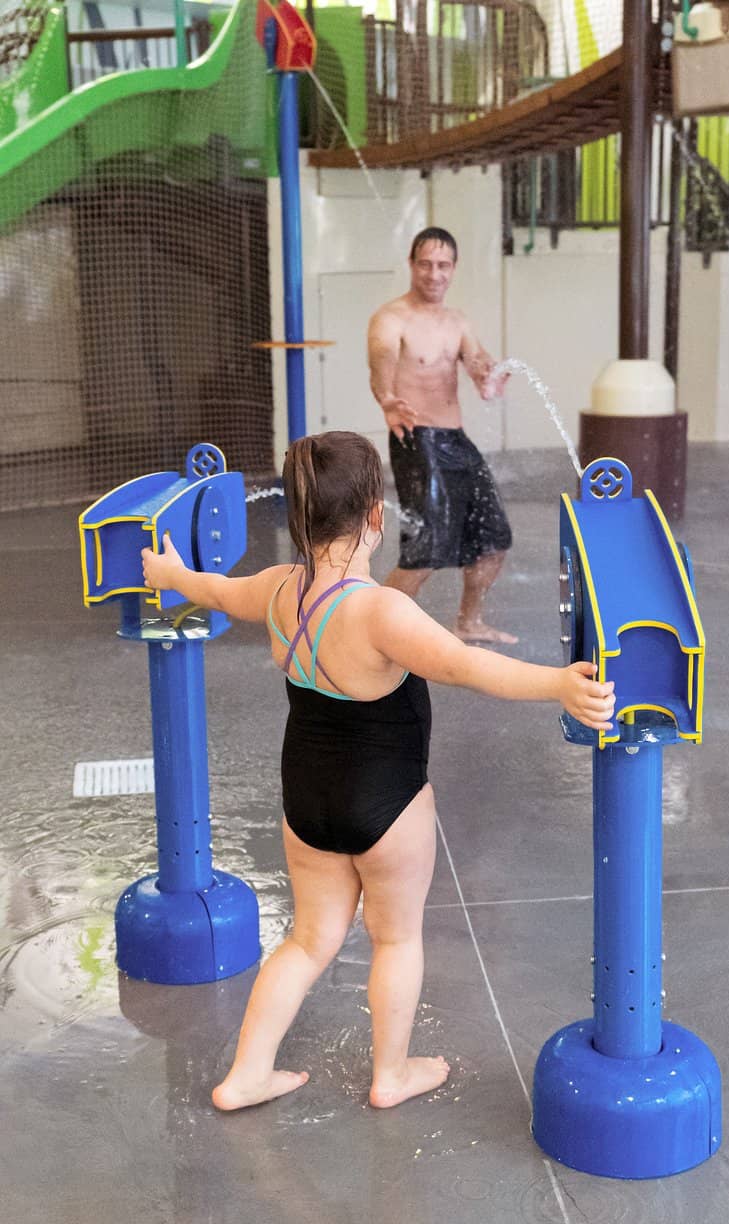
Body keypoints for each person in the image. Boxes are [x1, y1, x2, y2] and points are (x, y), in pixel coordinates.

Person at [141, 431, 615, 1114]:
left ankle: (246, 1074)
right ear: (374, 517)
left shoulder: (277, 590)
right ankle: (390, 1074)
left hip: (306, 797)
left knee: (308, 941)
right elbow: (467, 666)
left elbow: (211, 589)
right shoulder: (379, 611)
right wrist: (559, 686)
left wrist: (168, 574)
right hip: (387, 801)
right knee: (395, 937)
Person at [367, 226, 517, 645]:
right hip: (416, 439)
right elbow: (380, 361)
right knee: (425, 552)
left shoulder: (457, 321)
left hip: (456, 440)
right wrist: (386, 398)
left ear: (454, 268)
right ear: (411, 265)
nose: (434, 274)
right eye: (426, 264)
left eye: (443, 265)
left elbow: (477, 359)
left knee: (493, 540)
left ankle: (469, 622)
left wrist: (488, 374)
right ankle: (368, 629)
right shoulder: (391, 318)